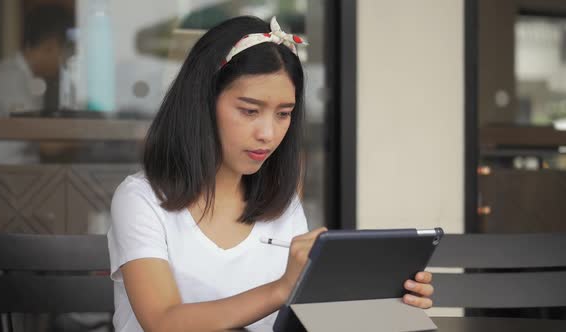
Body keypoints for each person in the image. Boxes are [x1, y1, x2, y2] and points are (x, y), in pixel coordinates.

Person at [107, 16, 435, 331]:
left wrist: (388, 308)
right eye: (249, 110)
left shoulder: (282, 203)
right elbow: (163, 322)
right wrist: (281, 289)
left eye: (283, 114)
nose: (268, 133)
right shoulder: (142, 199)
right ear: (203, 101)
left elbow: (305, 320)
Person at [0, 4, 71, 163]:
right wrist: (92, 136)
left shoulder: (28, 79)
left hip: (12, 178)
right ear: (50, 46)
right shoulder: (10, 77)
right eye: (65, 53)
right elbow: (46, 145)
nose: (65, 63)